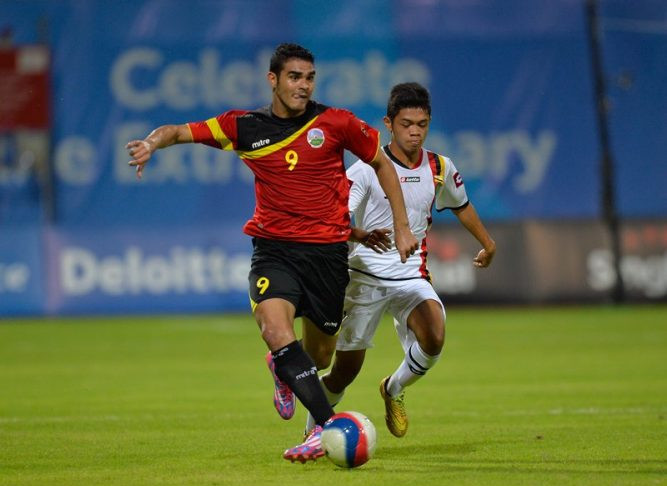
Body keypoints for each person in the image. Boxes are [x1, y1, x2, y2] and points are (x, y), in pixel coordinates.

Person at [125, 43, 419, 457]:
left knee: (318, 356)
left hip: (328, 257)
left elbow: (382, 164)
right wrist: (151, 144)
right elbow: (178, 131)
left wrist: (402, 226)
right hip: (275, 251)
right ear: (273, 80)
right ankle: (325, 426)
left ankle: (284, 370)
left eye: (309, 77)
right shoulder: (243, 126)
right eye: (295, 77)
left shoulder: (336, 122)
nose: (303, 85)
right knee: (275, 330)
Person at [287, 82, 496, 462]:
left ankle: (393, 388)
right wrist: (361, 237)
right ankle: (314, 430)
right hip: (363, 278)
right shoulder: (367, 168)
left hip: (410, 275)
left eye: (422, 124)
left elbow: (461, 204)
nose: (414, 131)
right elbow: (339, 214)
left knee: (434, 336)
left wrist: (488, 242)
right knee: (344, 373)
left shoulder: (439, 167)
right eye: (406, 124)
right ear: (388, 124)